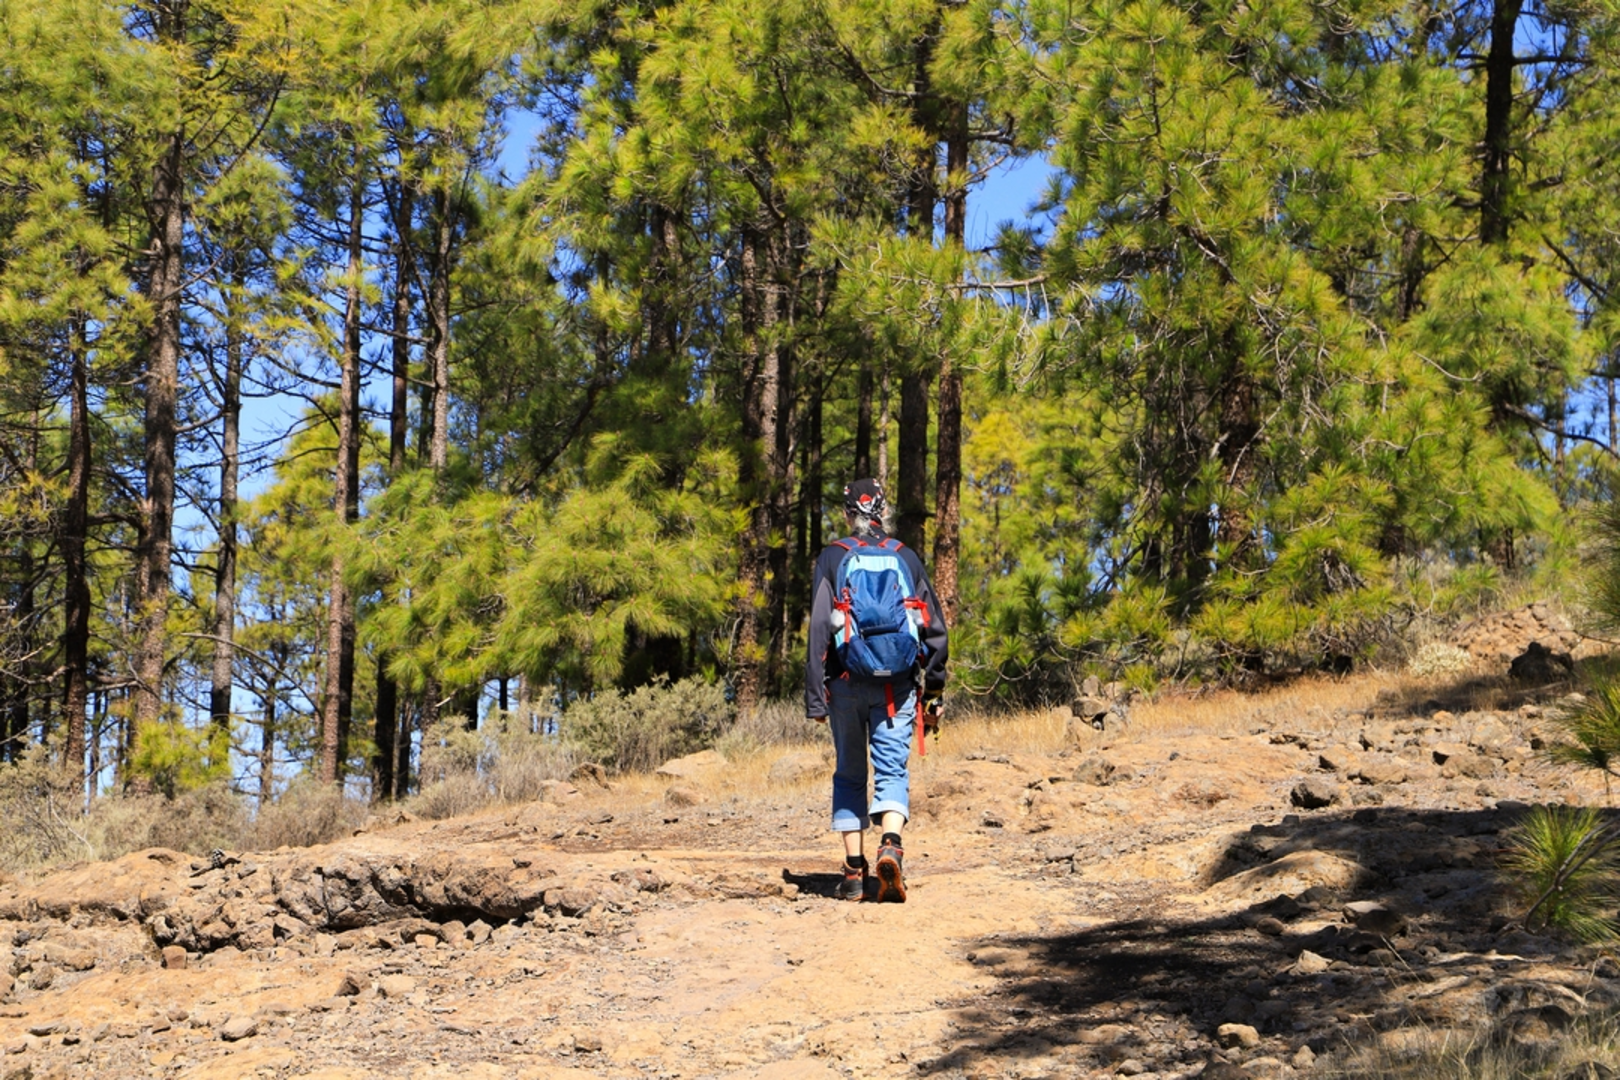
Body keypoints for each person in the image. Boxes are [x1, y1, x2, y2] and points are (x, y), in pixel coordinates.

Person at [805, 478, 948, 902]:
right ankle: (890, 843)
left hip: (845, 683)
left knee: (849, 772)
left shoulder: (833, 556)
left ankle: (853, 873)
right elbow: (934, 629)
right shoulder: (905, 556)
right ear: (883, 511)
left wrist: (815, 694)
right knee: (891, 769)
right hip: (898, 687)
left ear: (848, 512)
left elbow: (818, 629)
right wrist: (934, 692)